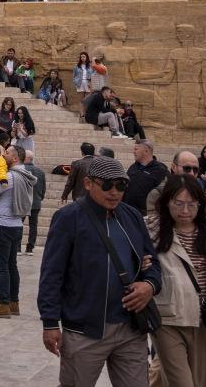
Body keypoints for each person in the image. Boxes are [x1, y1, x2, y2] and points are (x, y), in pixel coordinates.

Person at [37, 156, 161, 387]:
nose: (114, 192)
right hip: (85, 329)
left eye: (121, 185)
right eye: (106, 185)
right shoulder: (68, 218)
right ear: (87, 184)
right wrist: (50, 322)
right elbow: (52, 274)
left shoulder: (132, 216)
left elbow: (152, 261)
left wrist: (149, 285)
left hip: (130, 328)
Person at [147, 174, 206, 387]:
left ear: (200, 204)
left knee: (201, 380)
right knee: (183, 383)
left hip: (203, 318)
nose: (185, 210)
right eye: (179, 203)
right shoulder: (151, 231)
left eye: (191, 204)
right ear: (167, 201)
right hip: (168, 318)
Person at [0, 145, 36, 317]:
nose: (3, 155)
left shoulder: (10, 177)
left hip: (2, 225)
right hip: (16, 225)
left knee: (1, 267)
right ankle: (13, 302)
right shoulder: (24, 175)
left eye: (7, 153)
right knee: (12, 266)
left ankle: (3, 303)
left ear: (15, 158)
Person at [125, 139, 169, 215]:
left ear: (146, 151)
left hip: (146, 216)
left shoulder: (160, 170)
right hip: (128, 212)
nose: (134, 152)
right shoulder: (133, 167)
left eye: (136, 149)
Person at [20, 149, 48, 256]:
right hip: (35, 202)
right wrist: (39, 198)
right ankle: (29, 248)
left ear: (25, 158)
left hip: (22, 202)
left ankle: (17, 247)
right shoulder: (40, 172)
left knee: (18, 224)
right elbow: (43, 188)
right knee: (33, 226)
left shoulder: (21, 170)